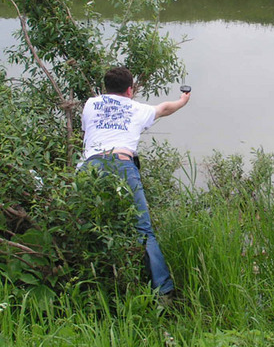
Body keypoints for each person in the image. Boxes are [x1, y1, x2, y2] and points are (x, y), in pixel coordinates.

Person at [79, 66, 191, 298]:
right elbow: (164, 108)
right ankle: (164, 292)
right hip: (122, 165)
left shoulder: (90, 104)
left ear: (105, 88)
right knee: (143, 230)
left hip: (91, 168)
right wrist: (182, 100)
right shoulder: (137, 108)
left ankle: (88, 284)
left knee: (86, 223)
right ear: (130, 90)